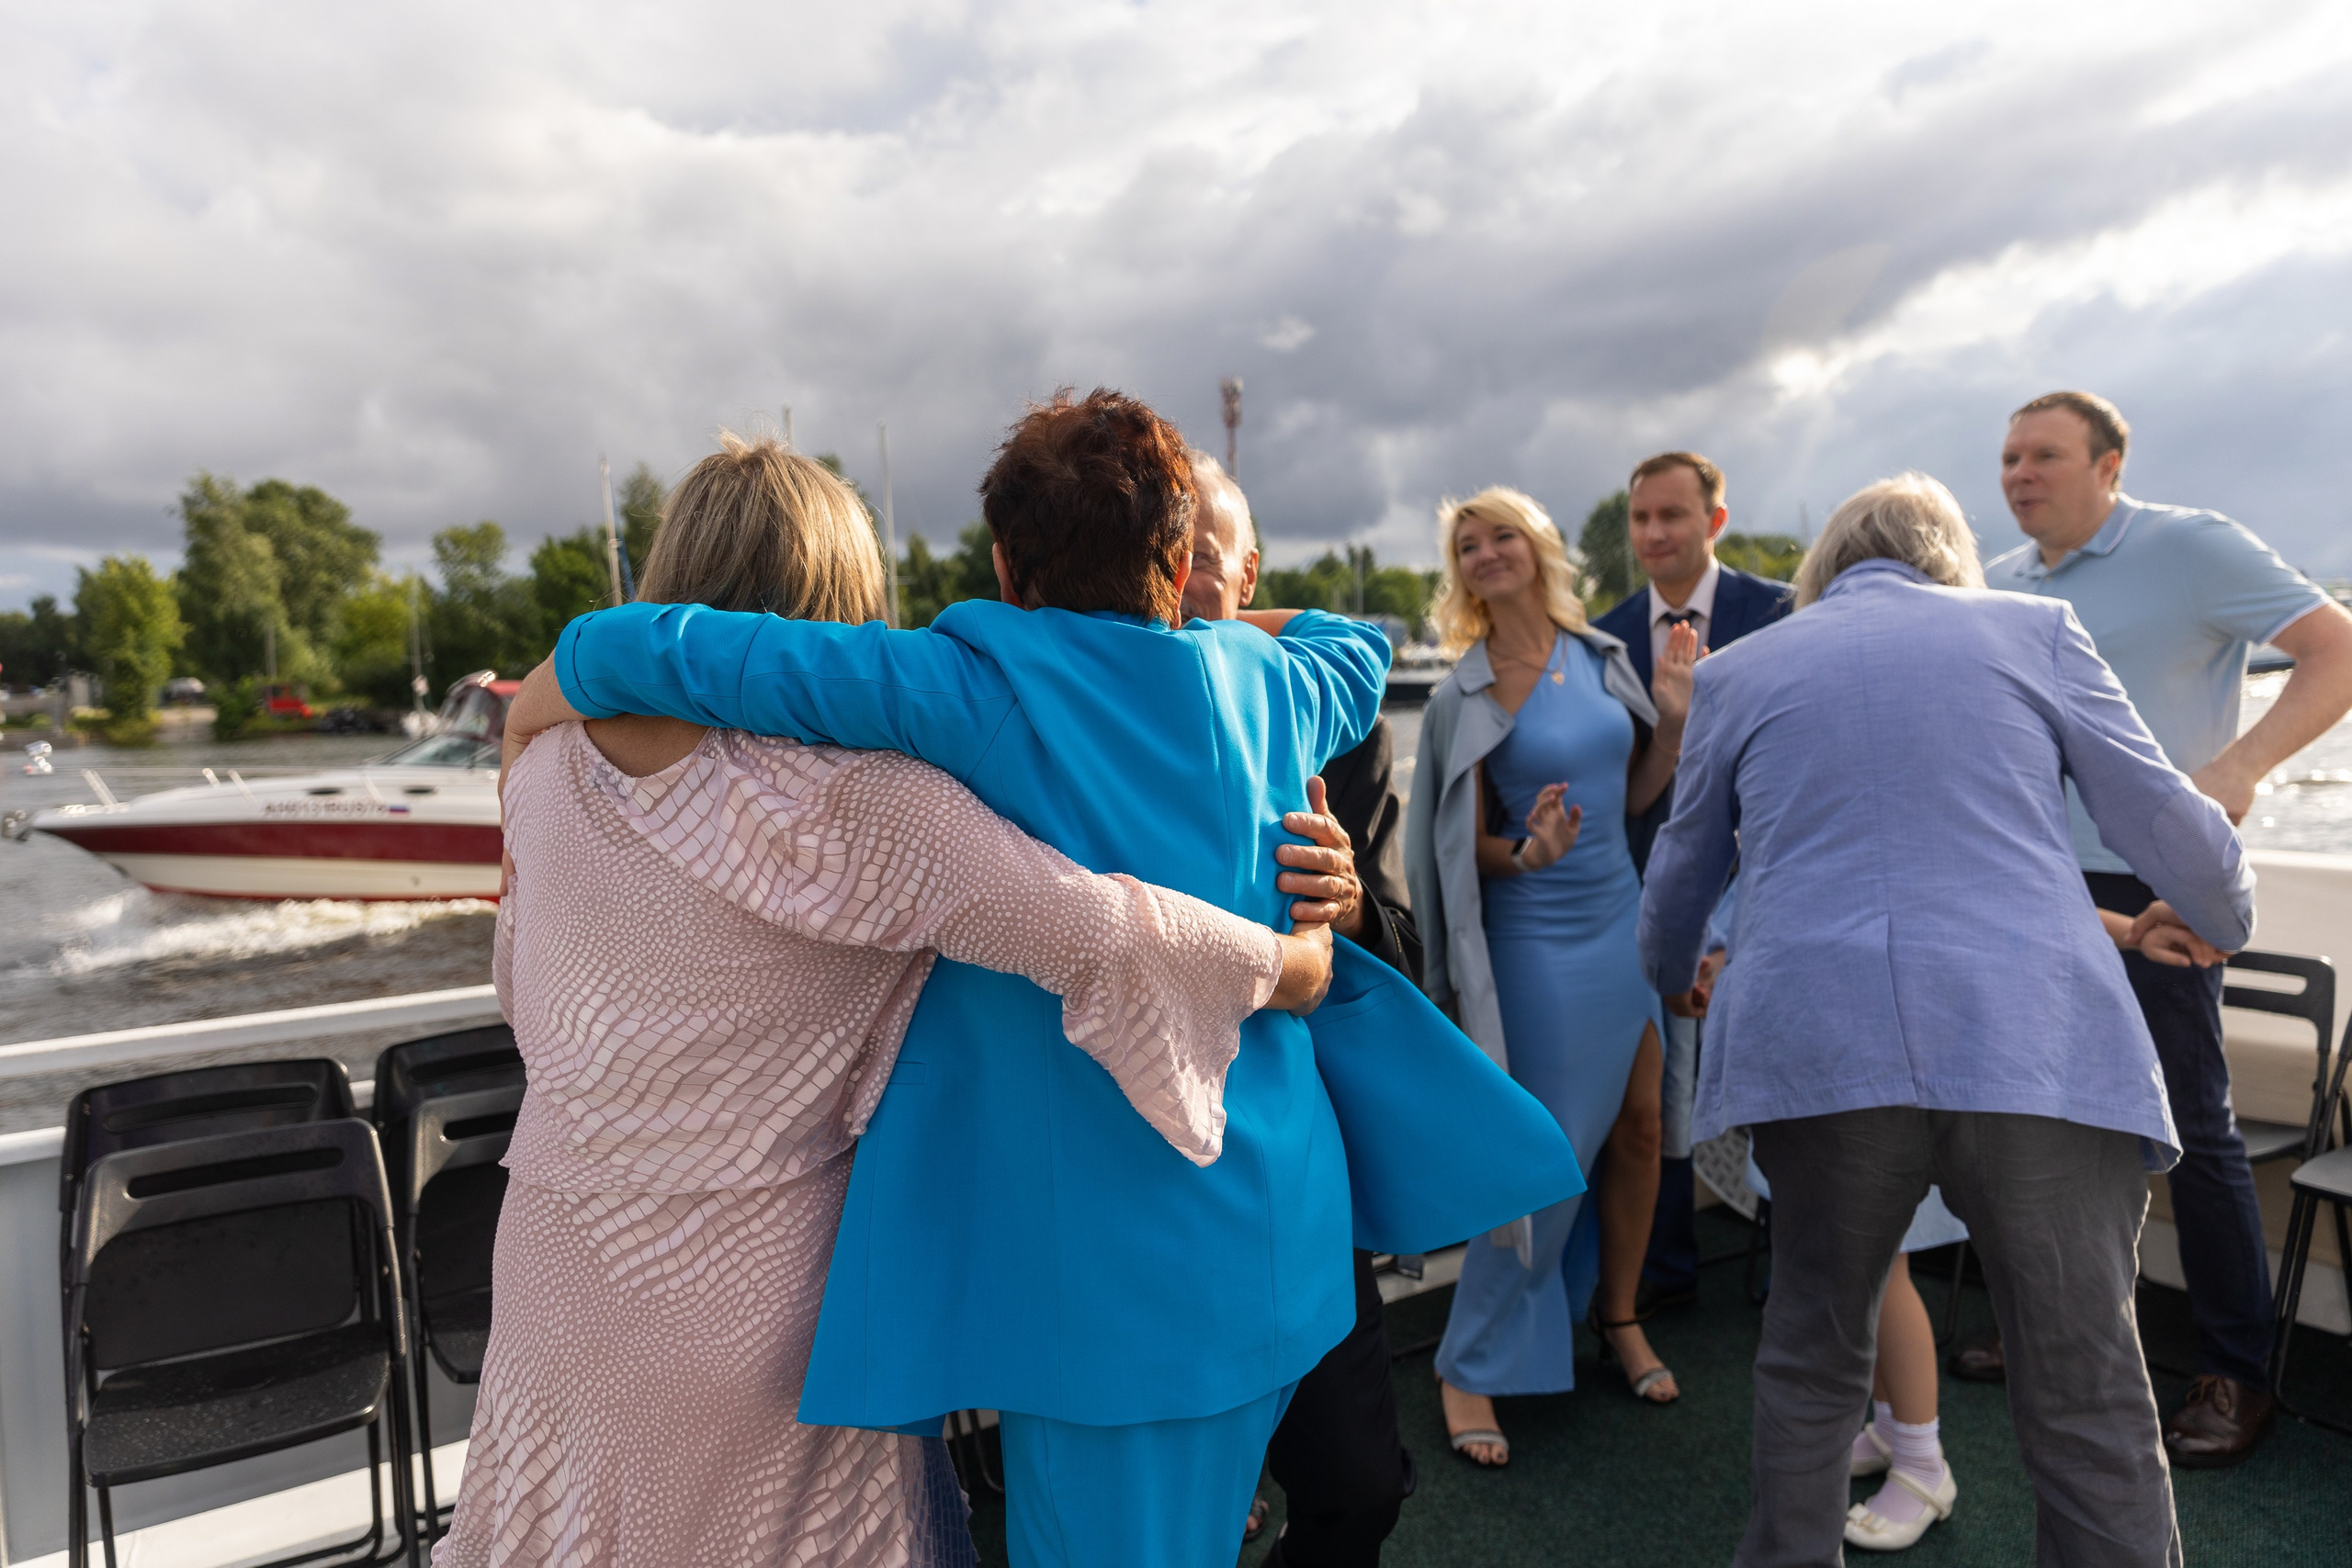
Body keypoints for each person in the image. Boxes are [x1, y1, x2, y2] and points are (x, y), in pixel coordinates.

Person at [501, 390, 1584, 1568]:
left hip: (1116, 1305)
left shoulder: (966, 686)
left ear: (1006, 566)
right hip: (1294, 1247)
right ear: (1179, 568)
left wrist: (570, 666)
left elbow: (715, 655)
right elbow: (1355, 643)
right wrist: (1212, 628)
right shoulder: (1270, 683)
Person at [1641, 471, 2253, 1566]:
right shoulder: (2034, 629)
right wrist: (2219, 916)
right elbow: (2169, 821)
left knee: (1811, 1362)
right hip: (2039, 1047)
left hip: (1819, 1053)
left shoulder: (1737, 671)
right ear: (1950, 568)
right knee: (2088, 1387)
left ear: (1821, 577)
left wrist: (1673, 967)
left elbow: (1676, 888)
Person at [1967, 389, 2352, 1466]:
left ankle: (2235, 1370)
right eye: (2006, 459)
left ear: (2110, 463)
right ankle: (2048, 1327)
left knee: (2189, 1126)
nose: (2018, 475)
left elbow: (2337, 649)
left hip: (2155, 880)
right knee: (2037, 1120)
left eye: (2043, 454)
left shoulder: (2192, 547)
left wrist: (2231, 773)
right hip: (2036, 879)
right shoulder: (1995, 587)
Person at [1405, 485, 1692, 1470]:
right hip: (1534, 944)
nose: (1487, 553)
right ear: (1461, 575)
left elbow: (1640, 791)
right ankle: (1468, 1363)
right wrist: (1526, 853)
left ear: (1539, 549)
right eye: (1468, 544)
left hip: (1625, 927)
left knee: (1644, 1130)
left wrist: (1678, 722)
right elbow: (1458, 846)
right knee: (1549, 1154)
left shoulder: (1601, 659)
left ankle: (1614, 1316)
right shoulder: (1463, 696)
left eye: (1503, 536)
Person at [1182, 451, 1419, 1567]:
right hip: (1130, 1184)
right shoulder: (1041, 719)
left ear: (1247, 573)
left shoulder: (1325, 720)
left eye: (1198, 554)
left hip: (1291, 1171)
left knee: (1362, 1486)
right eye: (1151, 549)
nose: (1171, 577)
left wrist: (1351, 903)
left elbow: (1400, 950)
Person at [1590, 450, 1792, 1316]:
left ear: (1715, 520)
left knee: (1783, 1077)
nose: (1652, 534)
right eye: (1640, 519)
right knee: (1655, 1089)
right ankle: (1661, 1278)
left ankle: (1799, 1273)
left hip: (1768, 883)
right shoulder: (1606, 631)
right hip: (1649, 889)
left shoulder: (1781, 612)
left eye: (1671, 516)